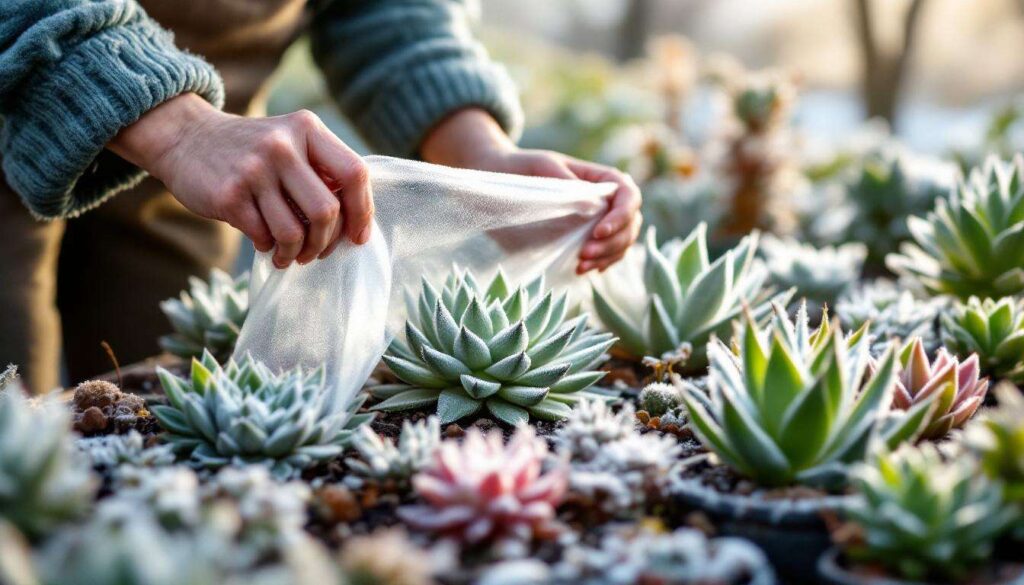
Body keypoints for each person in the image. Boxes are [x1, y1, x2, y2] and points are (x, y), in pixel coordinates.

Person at [0, 0, 642, 394]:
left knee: (160, 405)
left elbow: (380, 10)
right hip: (31, 123)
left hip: (200, 184)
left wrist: (480, 155)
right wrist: (180, 132)